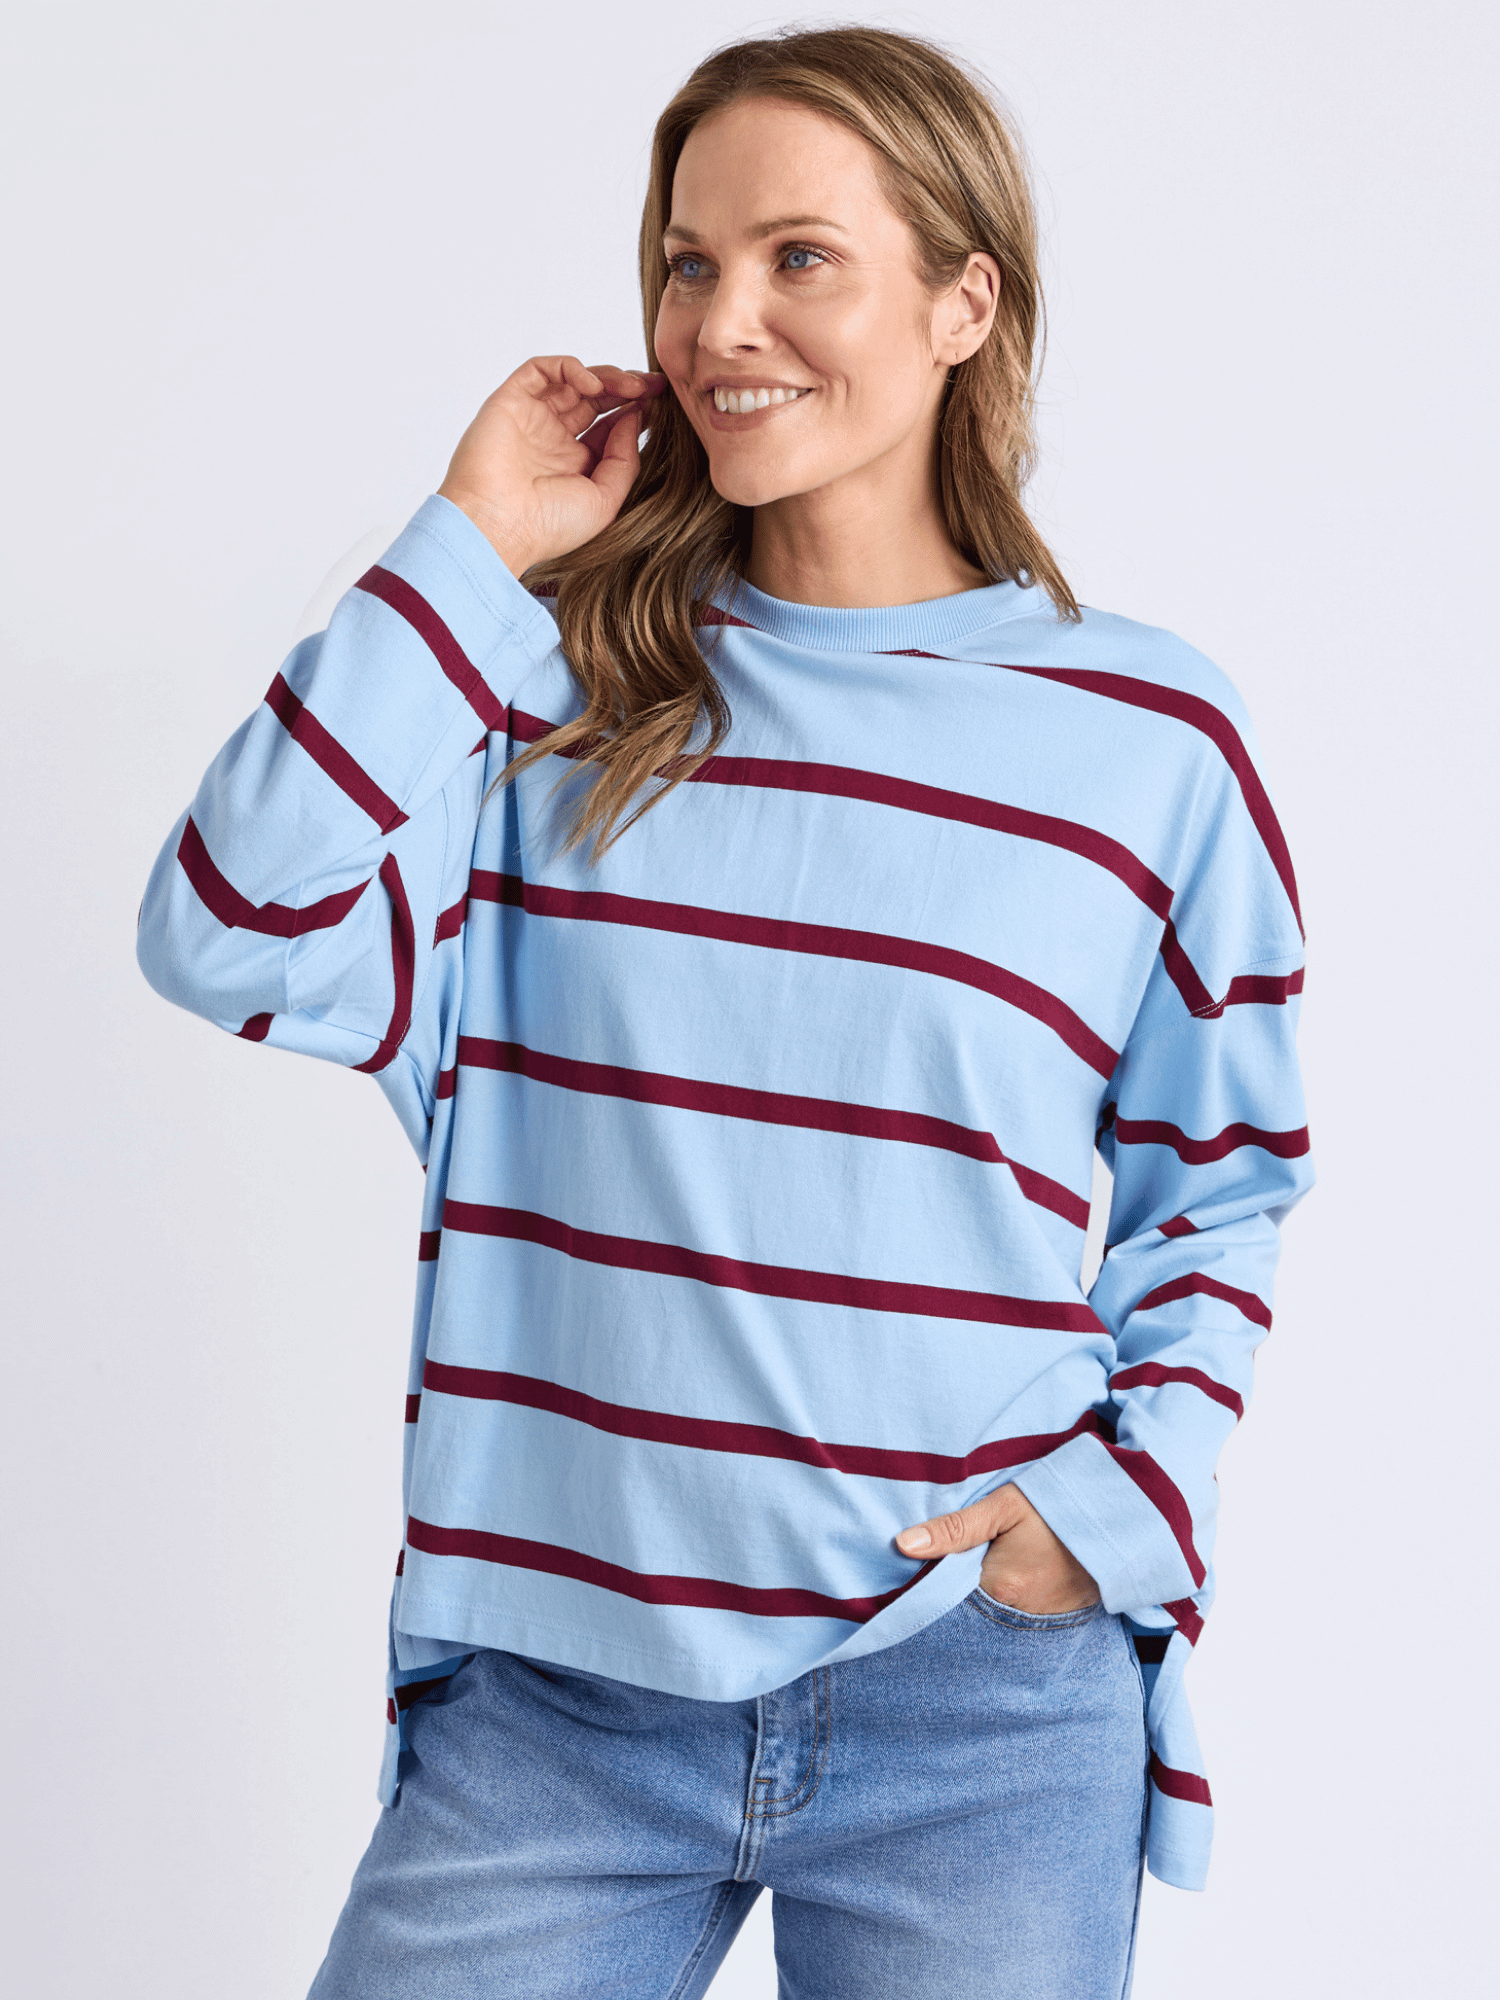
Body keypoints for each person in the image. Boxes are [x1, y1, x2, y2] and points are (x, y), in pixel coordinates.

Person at [136, 24, 1312, 1999]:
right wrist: (469, 546)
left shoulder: (1150, 737)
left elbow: (1225, 1177)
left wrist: (1115, 1507)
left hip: (978, 1701)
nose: (719, 322)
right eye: (688, 262)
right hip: (556, 1708)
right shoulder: (543, 696)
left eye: (800, 258)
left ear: (963, 303)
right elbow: (225, 925)